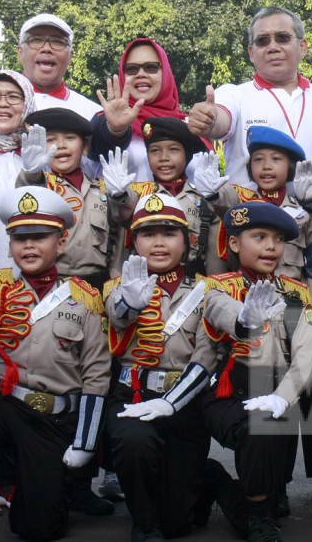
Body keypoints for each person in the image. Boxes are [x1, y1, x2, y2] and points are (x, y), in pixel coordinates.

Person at [0, 186, 110, 541]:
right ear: (10, 246)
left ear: (61, 243)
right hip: (0, 401)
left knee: (39, 527)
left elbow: (96, 377)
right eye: (20, 238)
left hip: (49, 418)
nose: (29, 246)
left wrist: (85, 443)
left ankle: (16, 486)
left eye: (40, 237)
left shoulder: (85, 298)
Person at [200, 201, 312, 542]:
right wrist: (245, 317)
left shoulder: (297, 294)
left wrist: (282, 398)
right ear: (235, 244)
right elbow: (219, 310)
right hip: (231, 394)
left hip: (279, 391)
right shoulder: (217, 286)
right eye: (260, 236)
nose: (271, 246)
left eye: (279, 239)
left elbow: (306, 357)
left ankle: (263, 491)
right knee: (260, 436)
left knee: (274, 483)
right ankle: (255, 514)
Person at [102, 194, 216, 542]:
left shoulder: (207, 291)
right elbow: (116, 317)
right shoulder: (117, 287)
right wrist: (130, 303)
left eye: (169, 233)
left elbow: (206, 356)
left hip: (184, 403)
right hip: (133, 394)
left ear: (187, 241)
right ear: (134, 242)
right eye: (148, 234)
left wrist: (171, 402)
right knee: (135, 444)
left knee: (178, 523)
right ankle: (143, 525)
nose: (159, 242)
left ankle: (207, 480)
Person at [186, 6, 312, 186]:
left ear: (302, 46)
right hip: (250, 212)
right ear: (252, 53)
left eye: (282, 38)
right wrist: (209, 120)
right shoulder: (235, 94)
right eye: (262, 41)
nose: (273, 47)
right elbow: (220, 120)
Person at [194, 126, 312, 308]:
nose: (266, 166)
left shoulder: (304, 211)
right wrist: (212, 194)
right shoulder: (240, 202)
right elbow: (223, 199)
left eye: (276, 159)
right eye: (258, 159)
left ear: (290, 166)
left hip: (291, 301)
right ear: (250, 167)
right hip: (244, 299)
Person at [100, 117, 218, 276]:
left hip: (189, 287)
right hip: (142, 286)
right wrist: (120, 195)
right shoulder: (139, 193)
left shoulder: (204, 199)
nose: (164, 157)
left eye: (173, 149)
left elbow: (214, 261)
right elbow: (124, 210)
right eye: (155, 150)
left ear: (187, 155)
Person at [17, 110, 114, 289]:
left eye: (70, 138)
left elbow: (122, 226)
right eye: (51, 139)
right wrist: (31, 174)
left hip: (96, 284)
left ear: (85, 147)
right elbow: (26, 195)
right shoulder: (41, 185)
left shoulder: (102, 190)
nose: (60, 146)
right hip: (51, 283)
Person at [90, 38, 192, 181]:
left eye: (151, 67)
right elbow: (97, 146)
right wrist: (116, 130)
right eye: (132, 69)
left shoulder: (188, 125)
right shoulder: (106, 120)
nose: (141, 74)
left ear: (166, 72)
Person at [0, 70, 35, 272]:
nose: (2, 103)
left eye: (13, 97)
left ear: (27, 103)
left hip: (31, 282)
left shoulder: (38, 154)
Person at [17, 14, 100, 118]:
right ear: (20, 52)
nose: (46, 49)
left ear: (70, 56)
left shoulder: (92, 114)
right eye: (36, 40)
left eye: (57, 42)